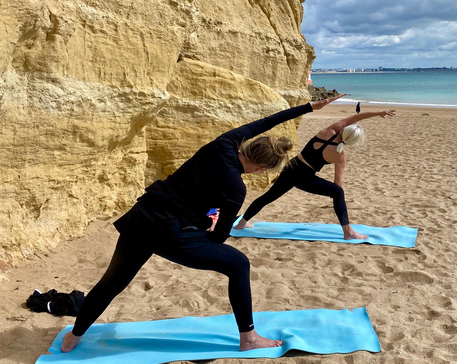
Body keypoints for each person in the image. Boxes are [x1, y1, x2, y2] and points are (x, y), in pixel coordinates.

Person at [60, 95, 343, 353]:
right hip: (172, 234)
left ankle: (75, 335)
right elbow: (219, 238)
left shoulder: (223, 144)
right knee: (238, 264)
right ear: (261, 168)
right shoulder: (236, 188)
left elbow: (264, 122)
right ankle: (249, 338)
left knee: (113, 281)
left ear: (250, 144)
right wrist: (203, 228)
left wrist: (309, 107)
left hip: (142, 218)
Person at [234, 106, 395, 240]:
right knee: (338, 192)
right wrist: (334, 196)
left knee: (268, 197)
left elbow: (355, 117)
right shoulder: (340, 156)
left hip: (291, 167)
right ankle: (348, 232)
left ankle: (242, 223)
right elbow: (337, 185)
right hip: (304, 177)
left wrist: (377, 113)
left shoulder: (328, 131)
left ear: (343, 129)